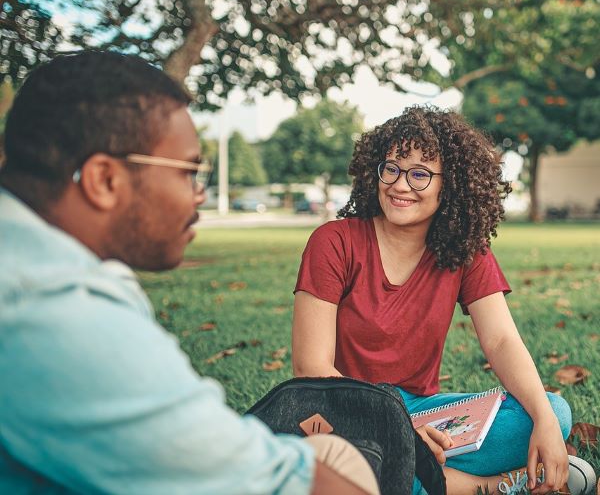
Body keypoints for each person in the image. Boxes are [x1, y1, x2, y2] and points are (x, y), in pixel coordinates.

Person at [0, 51, 380, 495]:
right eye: (188, 172)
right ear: (104, 180)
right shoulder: (55, 312)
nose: (199, 194)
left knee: (332, 453)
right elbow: (287, 484)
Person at [292, 107, 596, 495]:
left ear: (449, 184)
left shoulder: (465, 250)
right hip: (344, 413)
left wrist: (545, 423)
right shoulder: (333, 242)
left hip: (423, 413)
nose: (400, 185)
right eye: (392, 168)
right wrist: (400, 432)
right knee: (346, 463)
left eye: (420, 174)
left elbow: (501, 341)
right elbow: (311, 368)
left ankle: (406, 475)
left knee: (552, 411)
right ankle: (494, 486)